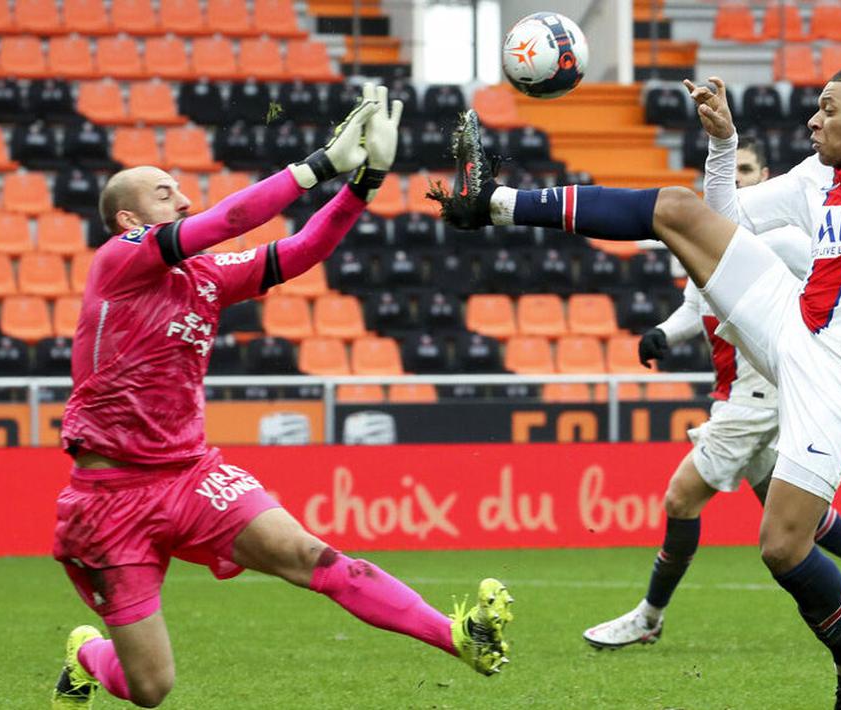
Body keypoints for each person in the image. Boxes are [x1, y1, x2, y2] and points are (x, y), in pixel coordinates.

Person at [428, 66, 841, 709]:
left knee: (782, 547)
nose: (813, 120)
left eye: (828, 109)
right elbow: (723, 220)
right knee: (677, 209)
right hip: (791, 322)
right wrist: (723, 144)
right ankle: (495, 204)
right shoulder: (812, 178)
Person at [51, 85, 513, 710]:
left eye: (180, 190)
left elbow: (299, 252)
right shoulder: (118, 261)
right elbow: (227, 220)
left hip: (190, 475)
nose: (183, 199)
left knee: (309, 555)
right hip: (110, 498)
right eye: (164, 193)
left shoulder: (204, 278)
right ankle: (86, 653)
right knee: (150, 688)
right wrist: (321, 165)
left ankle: (459, 638)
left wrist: (364, 183)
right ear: (129, 221)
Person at [582, 136, 841, 652]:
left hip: (759, 398)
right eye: (730, 175)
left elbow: (831, 297)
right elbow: (697, 308)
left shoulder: (788, 241)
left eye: (746, 172)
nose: (736, 182)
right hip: (740, 394)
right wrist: (664, 333)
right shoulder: (712, 242)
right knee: (781, 502)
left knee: (681, 498)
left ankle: (649, 615)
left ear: (765, 178)